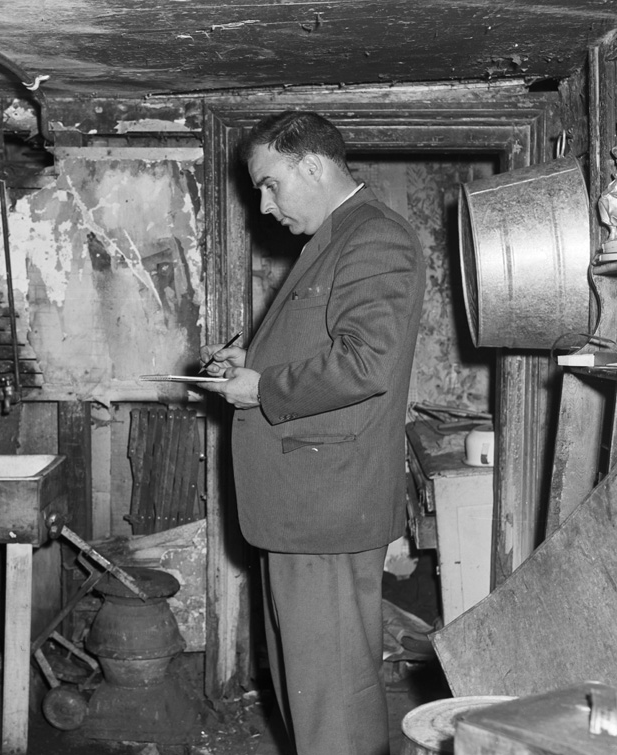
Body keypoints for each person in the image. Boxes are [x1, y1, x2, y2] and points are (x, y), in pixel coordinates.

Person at [198, 110, 426, 755]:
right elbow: (331, 352)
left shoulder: (373, 237)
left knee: (329, 692)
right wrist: (253, 367)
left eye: (269, 184)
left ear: (312, 166)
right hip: (304, 503)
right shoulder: (338, 238)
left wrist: (263, 390)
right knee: (312, 682)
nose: (264, 207)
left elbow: (365, 362)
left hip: (323, 503)